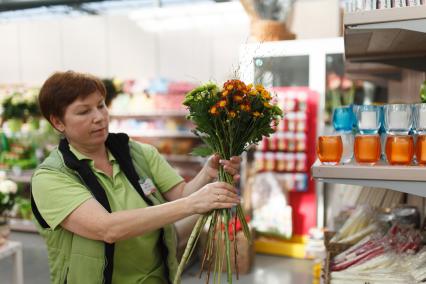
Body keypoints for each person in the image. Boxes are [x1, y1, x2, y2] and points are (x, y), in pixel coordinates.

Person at [31, 71, 241, 284]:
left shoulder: (139, 153)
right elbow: (107, 228)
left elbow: (180, 194)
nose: (99, 117)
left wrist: (207, 173)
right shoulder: (51, 177)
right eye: (84, 111)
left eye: (101, 105)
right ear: (58, 123)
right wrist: (191, 204)